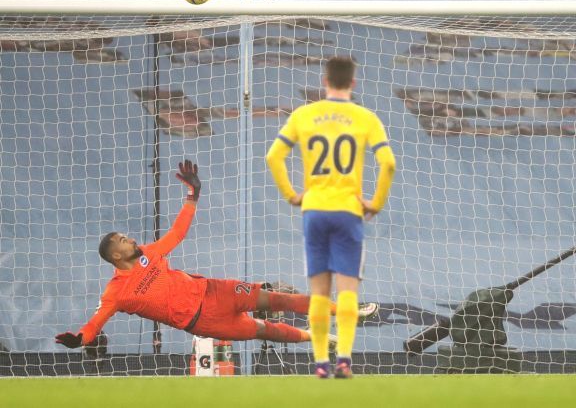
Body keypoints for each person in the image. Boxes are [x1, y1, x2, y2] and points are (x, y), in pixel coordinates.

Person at [55, 160, 377, 351]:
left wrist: (193, 195)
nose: (130, 239)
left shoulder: (148, 255)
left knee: (275, 299)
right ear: (114, 255)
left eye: (126, 236)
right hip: (203, 321)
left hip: (213, 290)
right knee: (263, 330)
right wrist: (80, 339)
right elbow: (95, 323)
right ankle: (323, 338)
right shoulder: (116, 292)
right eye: (123, 240)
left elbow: (177, 234)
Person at [266, 56, 396, 378]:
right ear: (352, 83)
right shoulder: (366, 117)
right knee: (349, 290)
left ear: (325, 82)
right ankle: (345, 360)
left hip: (315, 210)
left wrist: (292, 195)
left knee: (319, 292)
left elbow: (274, 156)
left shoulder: (304, 114)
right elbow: (388, 163)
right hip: (348, 211)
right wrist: (375, 203)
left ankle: (321, 362)